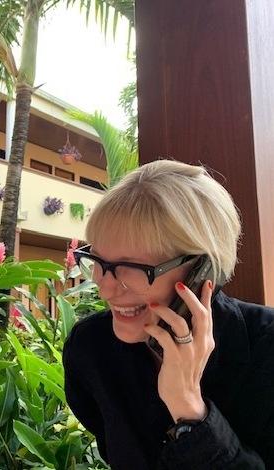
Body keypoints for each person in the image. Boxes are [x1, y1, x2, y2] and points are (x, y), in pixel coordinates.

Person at [64, 160, 274, 469]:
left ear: (203, 270)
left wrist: (189, 408)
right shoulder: (91, 349)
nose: (106, 288)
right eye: (99, 261)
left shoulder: (265, 347)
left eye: (133, 268)